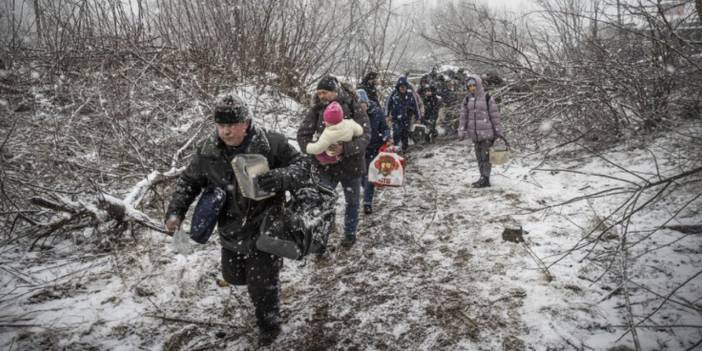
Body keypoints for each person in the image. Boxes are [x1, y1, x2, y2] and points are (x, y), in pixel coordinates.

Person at [164, 95, 309, 347]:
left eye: (232, 124)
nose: (226, 131)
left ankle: (269, 326)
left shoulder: (271, 144)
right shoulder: (208, 151)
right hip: (229, 228)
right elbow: (189, 183)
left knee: (261, 285)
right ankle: (263, 290)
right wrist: (175, 212)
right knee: (234, 276)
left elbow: (303, 166)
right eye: (220, 125)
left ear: (247, 122)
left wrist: (282, 177)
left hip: (265, 226)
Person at [297, 75, 370, 248]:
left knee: (352, 201)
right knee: (324, 202)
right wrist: (313, 149)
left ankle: (350, 234)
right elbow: (302, 134)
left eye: (324, 92)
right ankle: (321, 239)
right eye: (319, 92)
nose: (321, 96)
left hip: (351, 164)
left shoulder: (353, 105)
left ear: (334, 91)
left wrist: (344, 149)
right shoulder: (316, 109)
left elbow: (366, 135)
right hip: (325, 166)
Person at [458, 76, 504, 188]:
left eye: (474, 85)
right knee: (479, 157)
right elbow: (463, 117)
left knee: (486, 157)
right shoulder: (467, 99)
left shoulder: (487, 97)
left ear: (478, 85)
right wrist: (461, 130)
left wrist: (499, 133)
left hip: (487, 134)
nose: (472, 88)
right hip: (475, 135)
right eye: (470, 86)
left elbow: (495, 116)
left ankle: (485, 178)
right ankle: (482, 177)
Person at [356, 88, 391, 215]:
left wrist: (386, 136)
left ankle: (367, 203)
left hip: (374, 148)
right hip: (359, 150)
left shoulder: (377, 112)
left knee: (369, 176)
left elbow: (385, 128)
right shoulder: (353, 115)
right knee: (361, 177)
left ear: (366, 103)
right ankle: (366, 190)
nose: (361, 108)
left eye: (362, 105)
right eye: (358, 105)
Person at [385, 76, 421, 153]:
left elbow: (416, 106)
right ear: (398, 87)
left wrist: (418, 117)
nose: (402, 88)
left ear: (406, 87)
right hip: (396, 119)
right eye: (401, 87)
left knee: (405, 135)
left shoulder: (410, 95)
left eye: (404, 87)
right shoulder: (393, 94)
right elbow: (387, 104)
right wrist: (386, 115)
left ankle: (405, 149)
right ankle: (396, 150)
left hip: (407, 118)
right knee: (396, 134)